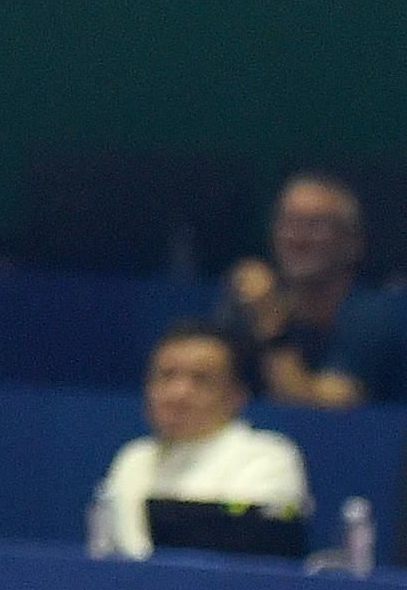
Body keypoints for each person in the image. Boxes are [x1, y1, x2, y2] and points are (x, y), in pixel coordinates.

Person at [96, 324, 310, 557]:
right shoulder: (134, 458)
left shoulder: (267, 457)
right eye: (166, 376)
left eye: (201, 379)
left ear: (237, 395)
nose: (178, 393)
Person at [218, 172, 407, 408]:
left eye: (316, 225)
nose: (298, 238)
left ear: (352, 244)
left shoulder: (377, 316)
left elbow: (316, 412)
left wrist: (271, 324)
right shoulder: (251, 306)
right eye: (288, 223)